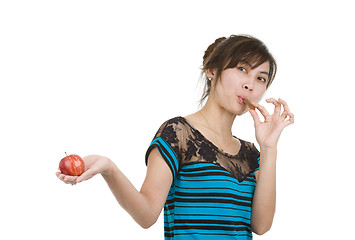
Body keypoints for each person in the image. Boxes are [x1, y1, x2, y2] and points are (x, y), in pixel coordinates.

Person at [56, 34, 294, 239]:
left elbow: (261, 226)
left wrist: (269, 148)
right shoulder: (177, 133)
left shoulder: (252, 152)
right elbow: (147, 214)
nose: (250, 85)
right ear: (212, 70)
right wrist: (109, 169)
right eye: (242, 69)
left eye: (261, 78)